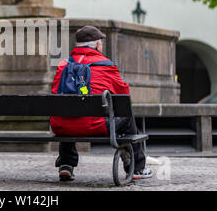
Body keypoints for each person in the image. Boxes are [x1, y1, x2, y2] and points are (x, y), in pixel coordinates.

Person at [50, 25, 152, 181]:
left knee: (67, 114)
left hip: (62, 126)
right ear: (97, 45)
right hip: (96, 126)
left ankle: (66, 164)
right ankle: (137, 167)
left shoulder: (63, 65)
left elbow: (55, 94)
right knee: (126, 112)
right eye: (101, 42)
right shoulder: (107, 65)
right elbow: (123, 95)